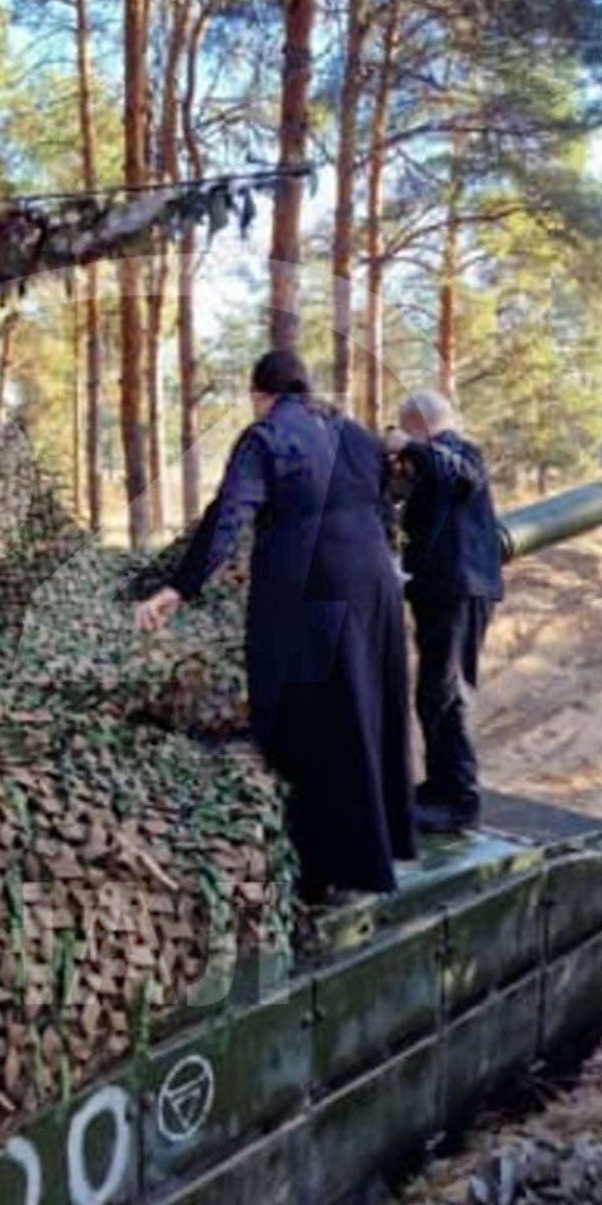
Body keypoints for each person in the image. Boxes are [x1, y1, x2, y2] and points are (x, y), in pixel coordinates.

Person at [136, 350, 416, 899]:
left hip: (311, 587)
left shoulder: (266, 437)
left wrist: (179, 587)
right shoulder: (354, 432)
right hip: (374, 581)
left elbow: (229, 515)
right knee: (368, 708)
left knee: (310, 717)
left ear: (262, 394)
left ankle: (322, 870)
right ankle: (378, 851)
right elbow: (388, 499)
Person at [386, 389, 502, 833]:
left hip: (458, 591)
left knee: (450, 695)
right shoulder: (431, 465)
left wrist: (408, 447)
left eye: (405, 431)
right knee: (432, 693)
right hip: (439, 593)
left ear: (418, 426)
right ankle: (438, 789)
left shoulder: (458, 450)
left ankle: (459, 802)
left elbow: (462, 476)